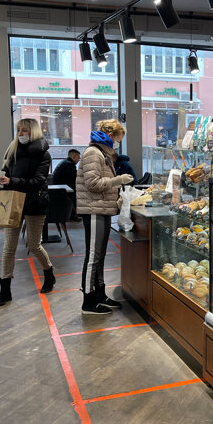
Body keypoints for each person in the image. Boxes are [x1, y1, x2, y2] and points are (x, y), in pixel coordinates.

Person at [0, 118, 55, 307]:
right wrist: (2, 180)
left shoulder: (43, 154)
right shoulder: (12, 150)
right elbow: (4, 171)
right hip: (13, 202)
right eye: (19, 130)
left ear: (33, 131)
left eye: (25, 130)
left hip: (35, 202)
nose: (20, 134)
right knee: (9, 247)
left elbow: (38, 181)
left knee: (34, 245)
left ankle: (49, 273)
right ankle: (5, 290)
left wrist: (12, 181)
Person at [76, 119, 133, 315]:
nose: (118, 143)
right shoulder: (93, 153)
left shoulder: (103, 153)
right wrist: (117, 180)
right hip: (94, 210)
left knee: (100, 255)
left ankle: (100, 294)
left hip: (103, 209)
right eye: (118, 139)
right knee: (93, 256)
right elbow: (92, 183)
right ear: (110, 135)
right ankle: (88, 301)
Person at [52, 148, 81, 219]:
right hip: (63, 189)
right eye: (78, 158)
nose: (79, 160)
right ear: (74, 156)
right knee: (78, 193)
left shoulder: (65, 162)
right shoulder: (69, 164)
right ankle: (73, 216)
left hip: (59, 187)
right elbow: (75, 178)